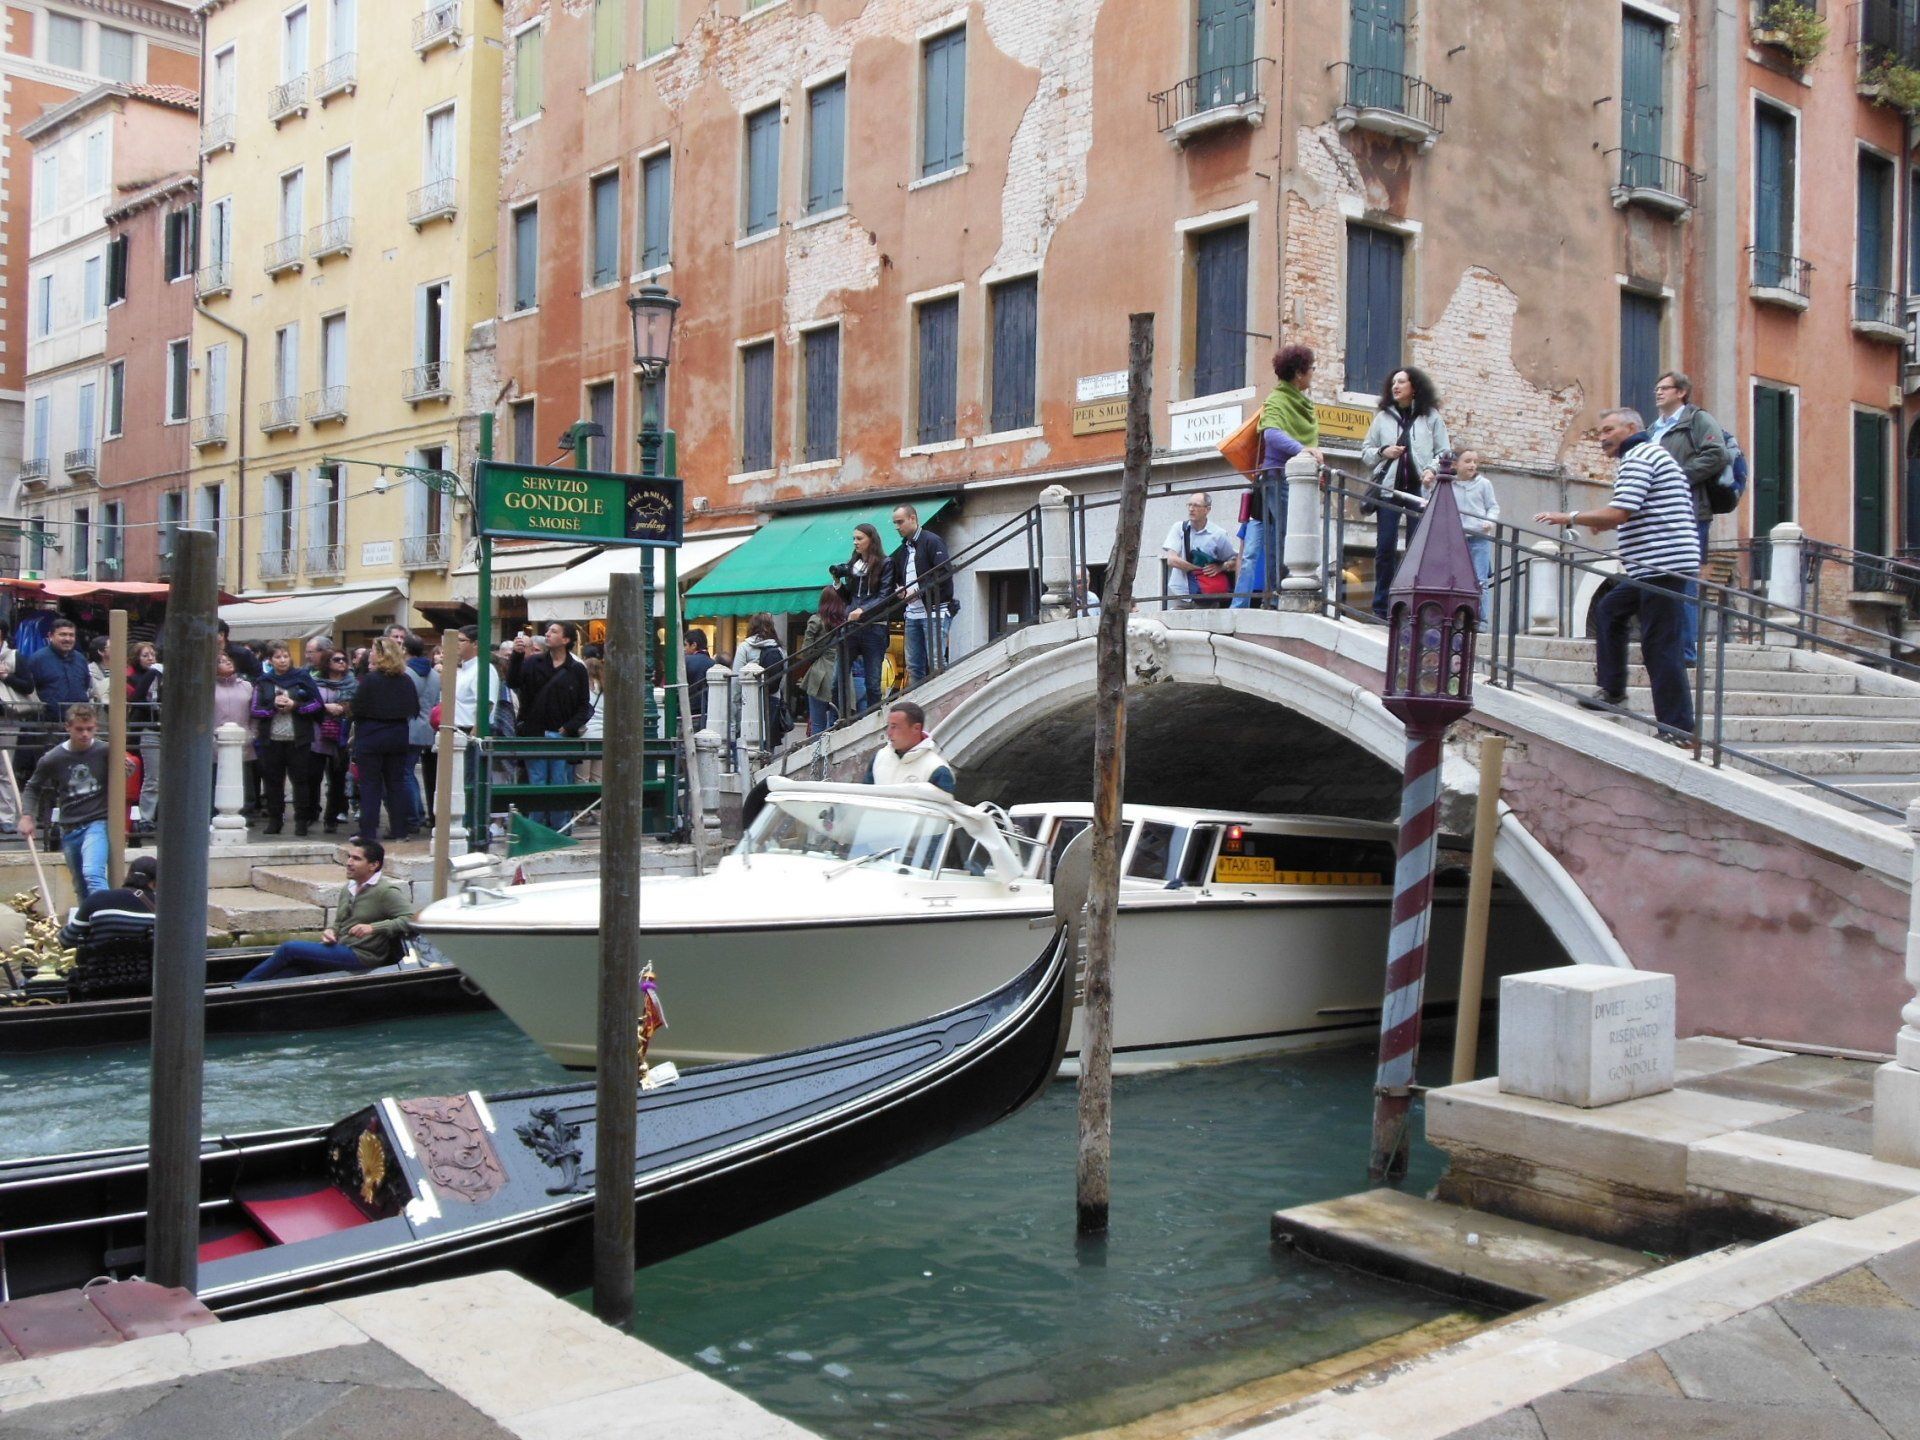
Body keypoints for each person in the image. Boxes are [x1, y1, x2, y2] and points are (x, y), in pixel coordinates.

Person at [1535, 407, 1699, 744]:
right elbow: (1625, 512)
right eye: (1599, 432)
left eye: (1608, 430)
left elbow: (1621, 511)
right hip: (1654, 565)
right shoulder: (1647, 455)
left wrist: (1569, 516)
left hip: (1661, 564)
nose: (1602, 438)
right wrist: (1600, 522)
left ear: (1631, 427)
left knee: (1660, 646)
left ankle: (1678, 728)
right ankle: (1612, 690)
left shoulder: (1640, 456)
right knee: (1610, 609)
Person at [239, 839, 413, 982]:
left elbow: (411, 919)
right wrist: (331, 932)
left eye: (356, 859)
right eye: (349, 857)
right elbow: (339, 924)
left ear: (373, 865)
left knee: (289, 949)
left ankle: (240, 987)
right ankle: (246, 995)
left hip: (362, 956)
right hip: (342, 948)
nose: (349, 863)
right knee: (294, 970)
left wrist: (373, 928)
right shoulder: (348, 888)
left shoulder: (386, 892)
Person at [1237, 346, 1326, 608]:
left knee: (1282, 535)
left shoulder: (1301, 402)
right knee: (1286, 535)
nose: (1312, 374)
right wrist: (1304, 450)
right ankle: (1281, 595)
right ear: (1299, 373)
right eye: (1311, 369)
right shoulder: (1277, 399)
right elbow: (1271, 434)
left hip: (1294, 480)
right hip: (1278, 479)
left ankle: (1276, 595)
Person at [1649, 370, 1727, 666]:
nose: (1658, 393)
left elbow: (1716, 454)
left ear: (1681, 392)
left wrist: (1677, 477)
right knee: (1655, 577)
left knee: (1684, 580)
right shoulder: (1653, 428)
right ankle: (1661, 644)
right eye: (1656, 388)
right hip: (1656, 515)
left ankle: (1686, 650)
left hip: (1690, 512)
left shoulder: (1697, 420)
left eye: (1664, 388)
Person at [1361, 367, 1452, 619]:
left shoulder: (1430, 417)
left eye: (1402, 382)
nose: (1395, 386)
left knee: (1417, 549)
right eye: (1393, 382)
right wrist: (1383, 452)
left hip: (1417, 490)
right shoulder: (1382, 417)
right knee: (1384, 549)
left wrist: (1432, 470)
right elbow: (1366, 453)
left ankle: (1410, 607)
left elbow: (1444, 451)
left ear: (1414, 387)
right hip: (1388, 490)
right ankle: (1381, 608)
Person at [19, 704, 129, 902]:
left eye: (90, 729)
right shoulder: (53, 758)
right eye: (80, 729)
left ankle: (105, 920)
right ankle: (88, 927)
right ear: (67, 727)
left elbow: (124, 777)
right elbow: (32, 786)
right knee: (80, 886)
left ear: (96, 728)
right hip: (69, 827)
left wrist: (126, 768)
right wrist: (27, 815)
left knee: (93, 873)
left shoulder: (105, 750)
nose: (85, 734)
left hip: (97, 822)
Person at [507, 621, 593, 831]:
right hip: (535, 733)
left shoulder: (577, 669)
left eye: (554, 631)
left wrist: (568, 728)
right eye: (548, 631)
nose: (547, 634)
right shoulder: (533, 663)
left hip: (561, 735)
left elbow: (584, 705)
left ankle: (559, 830)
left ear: (566, 639)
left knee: (560, 783)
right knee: (537, 784)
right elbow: (513, 682)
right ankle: (536, 831)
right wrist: (517, 657)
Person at [349, 637, 422, 841]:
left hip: (372, 735)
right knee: (395, 784)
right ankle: (400, 830)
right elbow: (414, 709)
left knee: (370, 785)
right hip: (398, 735)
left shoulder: (371, 680)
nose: (370, 654)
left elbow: (356, 708)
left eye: (372, 650)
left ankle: (368, 831)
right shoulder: (405, 680)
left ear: (380, 654)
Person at [250, 641, 322, 836]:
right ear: (270, 660)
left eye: (285, 656)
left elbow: (317, 704)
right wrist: (273, 706)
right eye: (277, 657)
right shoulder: (263, 681)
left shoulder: (302, 677)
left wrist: (295, 705)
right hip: (271, 739)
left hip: (298, 738)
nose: (282, 660)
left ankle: (301, 821)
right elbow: (255, 710)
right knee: (273, 781)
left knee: (300, 780)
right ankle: (275, 819)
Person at [887, 505, 954, 686]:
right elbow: (900, 579)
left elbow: (943, 573)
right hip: (912, 612)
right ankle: (919, 705)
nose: (897, 527)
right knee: (914, 665)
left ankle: (942, 700)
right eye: (895, 523)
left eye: (900, 522)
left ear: (913, 519)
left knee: (936, 661)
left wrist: (917, 591)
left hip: (934, 609)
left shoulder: (932, 541)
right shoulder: (903, 550)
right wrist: (900, 590)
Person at [1439, 450, 1501, 632]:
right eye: (1467, 461)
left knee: (1480, 580)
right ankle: (1455, 618)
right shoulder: (1449, 484)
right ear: (1455, 465)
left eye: (1475, 461)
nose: (1472, 465)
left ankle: (1480, 621)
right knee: (1455, 578)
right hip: (1456, 538)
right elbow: (1431, 500)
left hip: (1479, 537)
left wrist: (1489, 522)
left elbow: (1493, 507)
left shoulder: (1484, 484)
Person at [836, 523, 894, 714]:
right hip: (852, 626)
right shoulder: (853, 565)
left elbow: (885, 595)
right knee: (838, 680)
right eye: (854, 538)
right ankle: (841, 720)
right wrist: (838, 585)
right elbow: (850, 598)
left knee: (873, 683)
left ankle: (873, 720)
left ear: (871, 539)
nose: (855, 542)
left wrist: (862, 610)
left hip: (874, 627)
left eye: (859, 538)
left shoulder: (885, 563)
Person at [59, 855, 156, 959]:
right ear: (156, 882)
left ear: (128, 876)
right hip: (143, 973)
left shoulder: (98, 899)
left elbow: (67, 940)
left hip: (97, 972)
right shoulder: (163, 908)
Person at [1160, 493, 1236, 610]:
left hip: (1207, 595)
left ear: (1207, 509)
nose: (1191, 509)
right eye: (1189, 505)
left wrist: (1221, 567)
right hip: (1181, 592)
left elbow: (1234, 561)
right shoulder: (1179, 528)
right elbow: (1171, 560)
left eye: (1196, 505)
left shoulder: (1218, 534)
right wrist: (1198, 569)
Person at [862, 701, 956, 792]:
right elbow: (864, 799)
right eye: (889, 726)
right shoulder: (879, 757)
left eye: (894, 727)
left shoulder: (937, 770)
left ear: (916, 728)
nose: (889, 733)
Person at [311, 649, 357, 833]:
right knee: (313, 777)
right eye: (336, 659)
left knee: (338, 780)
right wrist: (325, 707)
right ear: (326, 663)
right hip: (317, 735)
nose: (341, 663)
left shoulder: (352, 684)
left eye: (343, 660)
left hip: (342, 737)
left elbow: (357, 706)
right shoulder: (315, 683)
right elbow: (308, 704)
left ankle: (331, 818)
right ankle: (311, 813)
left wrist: (344, 708)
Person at [730, 613, 788, 746]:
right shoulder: (779, 650)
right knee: (768, 745)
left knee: (747, 746)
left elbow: (735, 684)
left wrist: (734, 722)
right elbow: (782, 681)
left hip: (748, 702)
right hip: (772, 700)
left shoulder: (745, 647)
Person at [21, 618, 92, 720]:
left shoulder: (80, 659)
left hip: (78, 721)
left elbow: (85, 684)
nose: (67, 639)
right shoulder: (38, 659)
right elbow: (30, 689)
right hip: (48, 723)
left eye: (71, 635)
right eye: (62, 634)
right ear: (50, 636)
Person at [800, 586, 846, 735]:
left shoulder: (816, 621)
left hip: (819, 675)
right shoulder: (845, 622)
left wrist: (815, 652)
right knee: (836, 724)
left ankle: (818, 757)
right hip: (842, 673)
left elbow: (805, 652)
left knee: (818, 724)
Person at [579, 656, 605, 784]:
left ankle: (582, 803)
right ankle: (596, 802)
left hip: (585, 735)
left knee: (581, 778)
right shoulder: (607, 690)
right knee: (598, 778)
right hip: (602, 736)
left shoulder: (582, 688)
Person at [683, 631, 714, 729]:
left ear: (694, 645)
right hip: (708, 712)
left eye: (685, 645)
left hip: (687, 711)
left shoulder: (685, 661)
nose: (684, 649)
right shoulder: (714, 664)